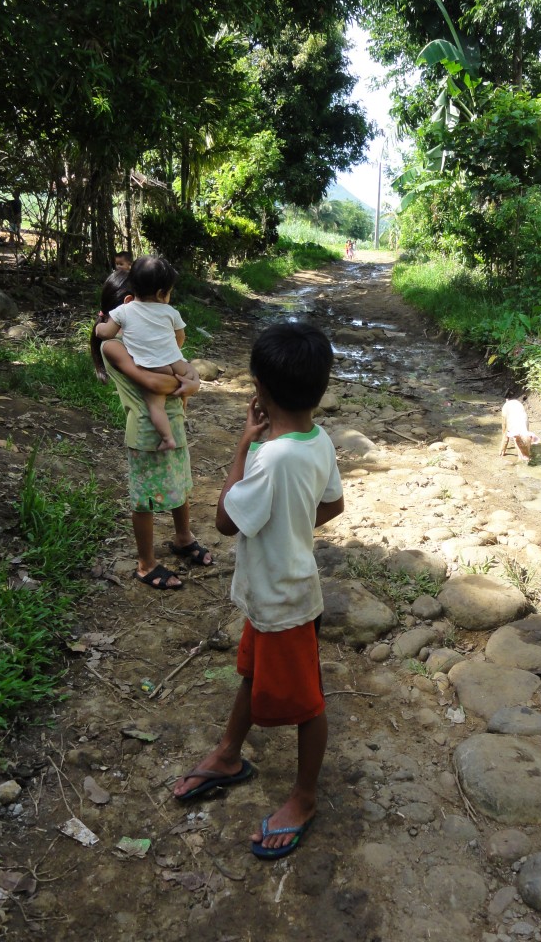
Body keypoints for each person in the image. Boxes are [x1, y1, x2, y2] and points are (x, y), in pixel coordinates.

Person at [173, 321, 344, 861]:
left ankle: (305, 798)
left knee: (307, 703)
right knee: (251, 672)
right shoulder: (318, 439)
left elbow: (225, 521)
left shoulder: (270, 457)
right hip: (282, 592)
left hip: (283, 601)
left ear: (260, 391)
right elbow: (334, 504)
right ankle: (228, 753)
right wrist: (290, 527)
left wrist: (244, 444)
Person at [92, 271, 213, 590]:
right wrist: (189, 383)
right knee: (144, 500)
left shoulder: (152, 342)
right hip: (146, 433)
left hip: (173, 425)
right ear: (129, 305)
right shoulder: (113, 346)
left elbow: (182, 366)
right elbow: (153, 382)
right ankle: (145, 563)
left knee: (180, 485)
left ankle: (183, 537)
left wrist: (193, 381)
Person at [96, 253, 189, 452]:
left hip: (172, 431)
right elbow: (179, 338)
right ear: (161, 293)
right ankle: (169, 433)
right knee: (164, 395)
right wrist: (187, 380)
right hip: (146, 439)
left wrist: (99, 328)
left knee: (156, 405)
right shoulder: (114, 347)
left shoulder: (124, 313)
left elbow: (105, 332)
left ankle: (168, 438)